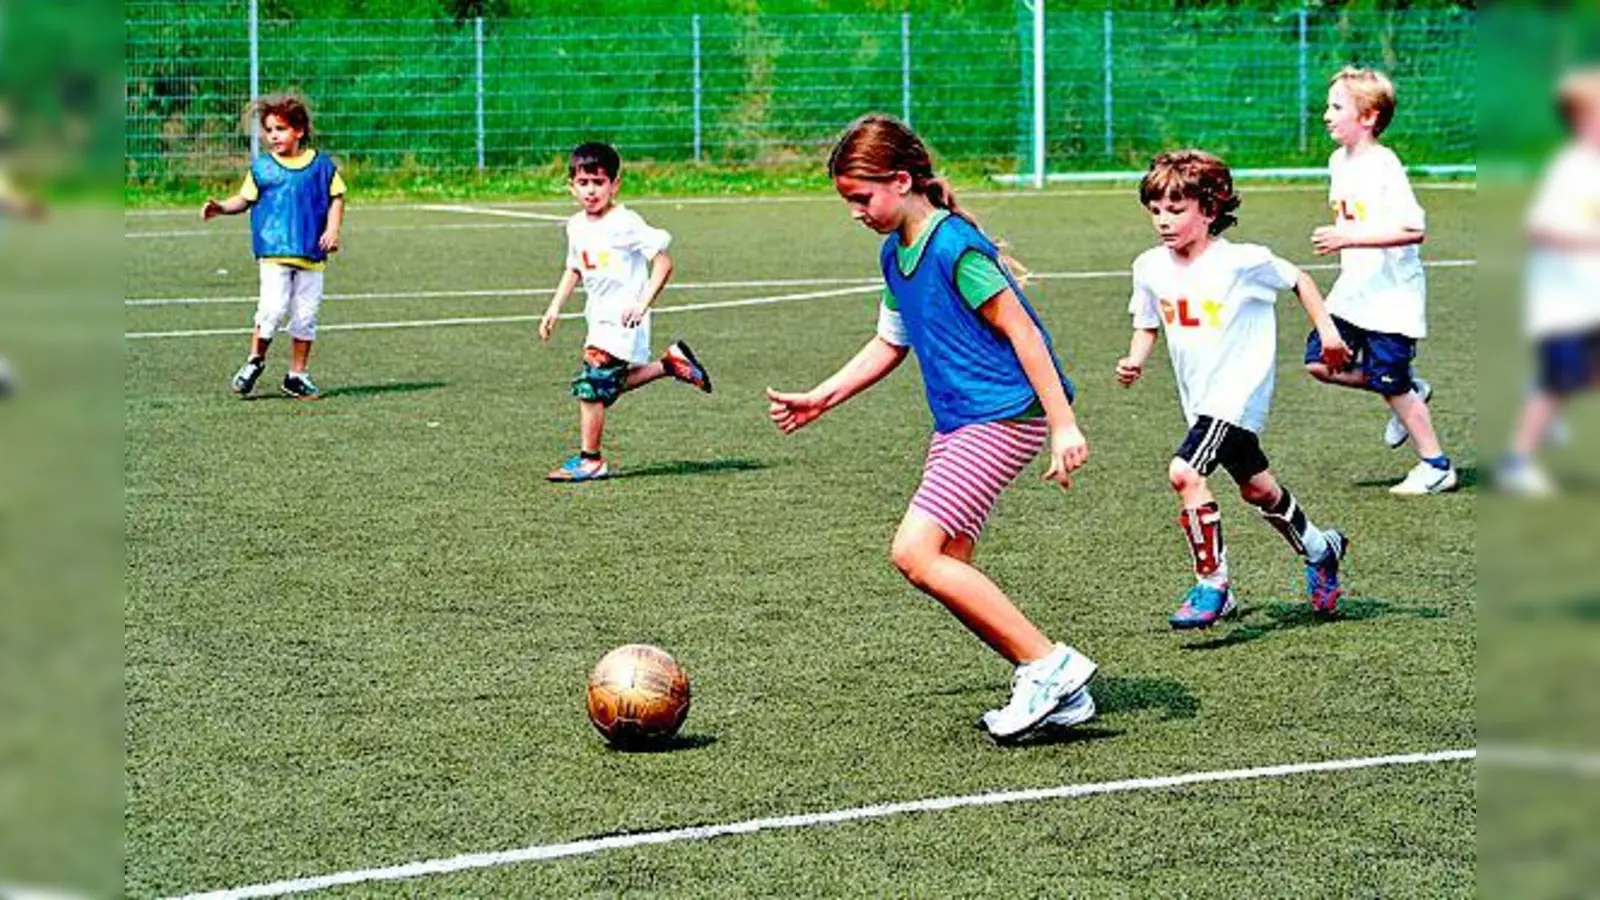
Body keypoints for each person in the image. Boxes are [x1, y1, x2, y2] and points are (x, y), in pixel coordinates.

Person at [766, 114, 1097, 741]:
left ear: (900, 180)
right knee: (947, 561)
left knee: (913, 552)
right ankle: (1053, 687)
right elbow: (890, 342)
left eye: (861, 197)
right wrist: (821, 399)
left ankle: (1049, 666)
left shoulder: (954, 247)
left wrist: (1064, 424)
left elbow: (1024, 332)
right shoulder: (896, 254)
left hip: (1001, 416)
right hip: (961, 422)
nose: (856, 213)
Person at [1117, 149, 1353, 628]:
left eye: (1176, 209)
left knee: (1184, 472)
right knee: (1258, 490)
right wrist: (1135, 360)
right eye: (1155, 210)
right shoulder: (1149, 266)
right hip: (1200, 402)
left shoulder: (1243, 262)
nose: (1163, 220)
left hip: (1237, 396)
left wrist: (1328, 333)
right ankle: (1320, 548)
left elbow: (1300, 279)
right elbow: (1147, 323)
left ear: (1209, 209)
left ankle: (1212, 585)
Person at [1306, 66, 1456, 494]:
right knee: (1320, 362)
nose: (1326, 115)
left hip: (1392, 298)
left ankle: (1436, 466)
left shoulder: (1384, 165)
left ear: (1368, 117)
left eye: (1337, 107)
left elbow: (1414, 230)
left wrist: (1348, 238)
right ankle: (1409, 389)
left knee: (1393, 385)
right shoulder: (1337, 161)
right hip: (1354, 292)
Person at [539, 141, 712, 482]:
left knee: (591, 386)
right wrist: (554, 307)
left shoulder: (625, 222)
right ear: (571, 186)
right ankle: (670, 364)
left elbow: (663, 263)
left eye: (599, 182)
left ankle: (591, 460)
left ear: (614, 184)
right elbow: (574, 268)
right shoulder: (575, 225)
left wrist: (642, 303)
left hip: (623, 318)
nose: (591, 190)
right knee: (605, 384)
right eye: (583, 182)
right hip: (598, 317)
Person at [1498, 69, 1600, 496]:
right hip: (1566, 307)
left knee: (1583, 374)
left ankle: (1545, 395)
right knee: (1557, 383)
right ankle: (1516, 461)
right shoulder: (1572, 169)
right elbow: (1540, 229)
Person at [203, 94, 345, 400]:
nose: (273, 136)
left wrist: (333, 229)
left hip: (311, 253)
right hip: (274, 252)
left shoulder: (321, 166)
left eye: (280, 129)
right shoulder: (263, 168)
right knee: (272, 309)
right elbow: (244, 199)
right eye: (268, 130)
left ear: (299, 131)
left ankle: (297, 375)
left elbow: (336, 197)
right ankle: (255, 360)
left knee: (306, 316)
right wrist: (222, 207)